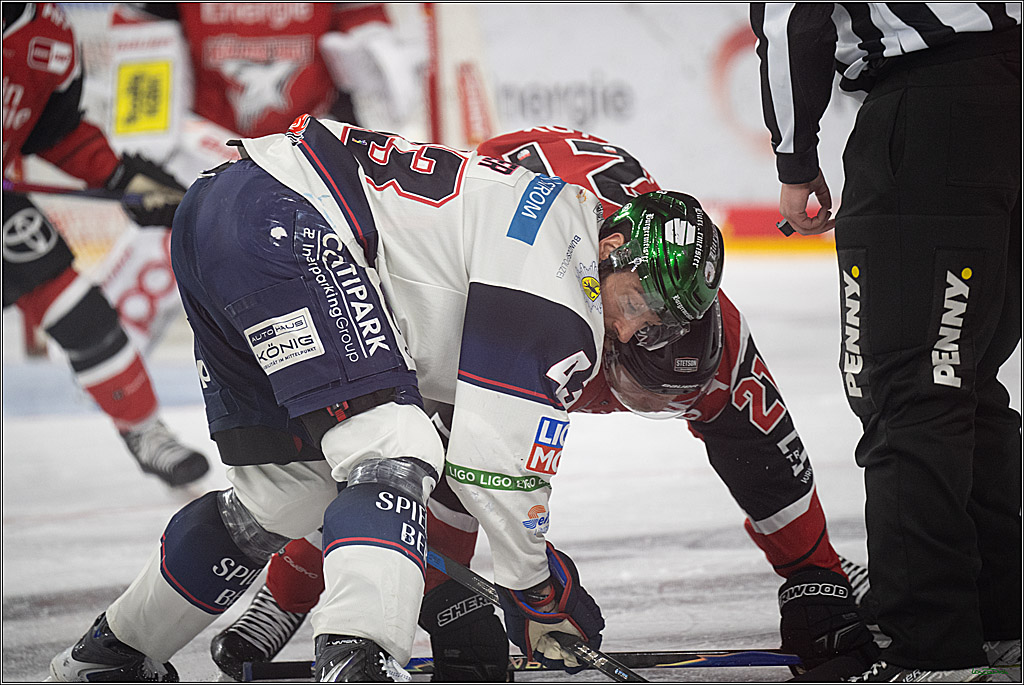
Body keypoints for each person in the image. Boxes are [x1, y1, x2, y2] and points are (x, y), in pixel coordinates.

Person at [47, 113, 730, 682]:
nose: (634, 328)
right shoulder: (564, 275)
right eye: (639, 299)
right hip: (285, 223)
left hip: (223, 214)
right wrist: (539, 593)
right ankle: (359, 657)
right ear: (613, 244)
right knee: (394, 449)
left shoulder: (548, 216)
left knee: (280, 498)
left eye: (659, 323)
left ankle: (112, 655)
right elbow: (491, 461)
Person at [208, 127, 878, 682]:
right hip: (479, 253)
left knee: (413, 451)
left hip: (580, 238)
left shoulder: (711, 336)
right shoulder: (553, 310)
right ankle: (289, 581)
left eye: (670, 403)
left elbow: (766, 450)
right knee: (392, 442)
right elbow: (470, 462)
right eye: (633, 387)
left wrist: (810, 569)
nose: (646, 400)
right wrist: (470, 593)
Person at [751, 3, 1022, 681]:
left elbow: (793, 18)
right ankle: (998, 618)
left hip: (933, 114)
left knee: (905, 386)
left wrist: (795, 158)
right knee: (962, 373)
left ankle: (930, 646)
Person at [2, 2, 209, 488]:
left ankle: (145, 431)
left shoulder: (46, 33)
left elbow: (56, 132)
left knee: (79, 310)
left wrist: (119, 177)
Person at [135, 3, 411, 137]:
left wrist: (375, 47)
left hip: (316, 137)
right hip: (209, 145)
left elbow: (366, 23)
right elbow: (141, 56)